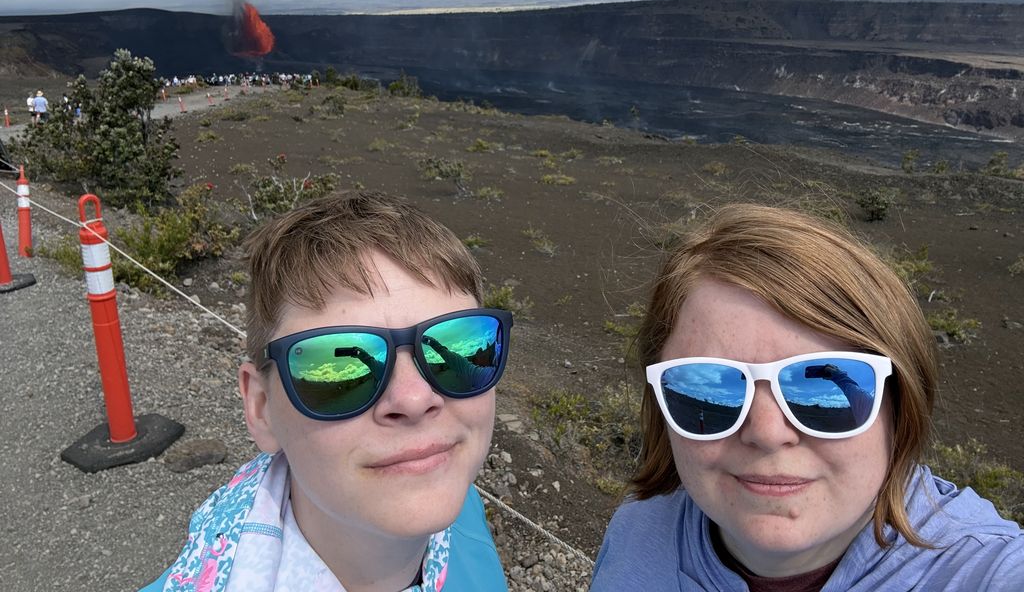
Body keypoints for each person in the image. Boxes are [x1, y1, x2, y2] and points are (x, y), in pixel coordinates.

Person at [591, 204, 1023, 591]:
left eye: (817, 386)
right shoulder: (640, 524)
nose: (765, 432)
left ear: (900, 403)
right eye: (702, 383)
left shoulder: (985, 571)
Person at [141, 191, 512, 592]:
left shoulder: (460, 500)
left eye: (458, 340)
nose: (414, 399)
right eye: (340, 373)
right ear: (261, 408)